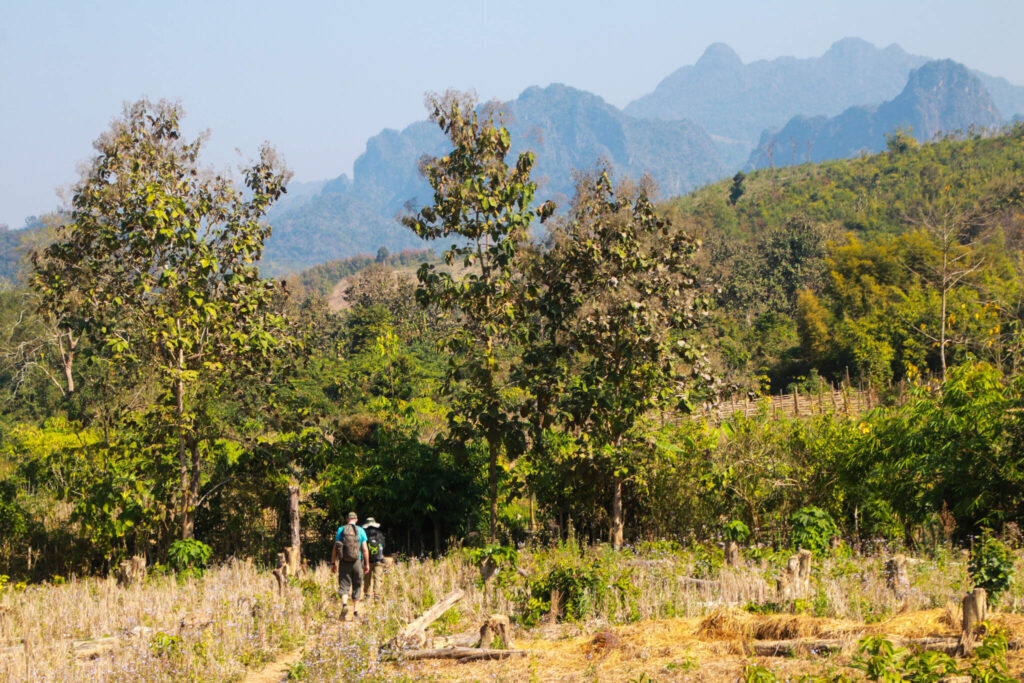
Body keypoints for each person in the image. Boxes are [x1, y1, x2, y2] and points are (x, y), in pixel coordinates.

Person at [331, 511, 369, 621]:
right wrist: (366, 564)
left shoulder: (341, 530)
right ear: (356, 520)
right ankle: (356, 612)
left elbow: (335, 548)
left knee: (344, 585)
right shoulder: (361, 531)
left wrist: (333, 563)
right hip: (357, 561)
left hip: (344, 562)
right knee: (357, 586)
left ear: (347, 519)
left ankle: (344, 605)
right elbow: (365, 549)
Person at [363, 517, 386, 600]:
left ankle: (367, 595)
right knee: (377, 578)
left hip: (368, 560)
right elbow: (383, 545)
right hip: (379, 559)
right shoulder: (379, 534)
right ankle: (376, 595)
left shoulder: (364, 534)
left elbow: (363, 547)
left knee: (367, 578)